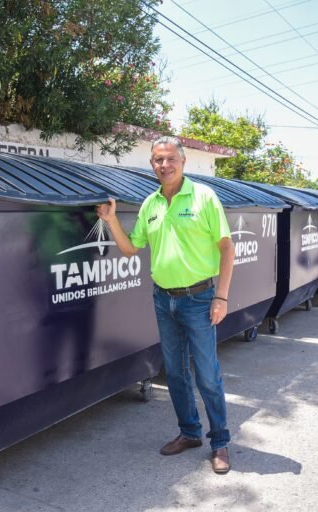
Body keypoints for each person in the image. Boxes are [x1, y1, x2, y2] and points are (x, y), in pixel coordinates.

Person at [95, 136, 235, 474]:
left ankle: (220, 442)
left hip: (200, 299)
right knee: (174, 372)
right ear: (152, 164)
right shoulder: (150, 204)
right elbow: (131, 249)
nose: (164, 165)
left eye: (171, 158)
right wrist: (111, 220)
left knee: (207, 375)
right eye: (158, 159)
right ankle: (189, 433)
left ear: (183, 161)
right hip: (163, 299)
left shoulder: (204, 197)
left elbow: (227, 248)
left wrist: (221, 297)